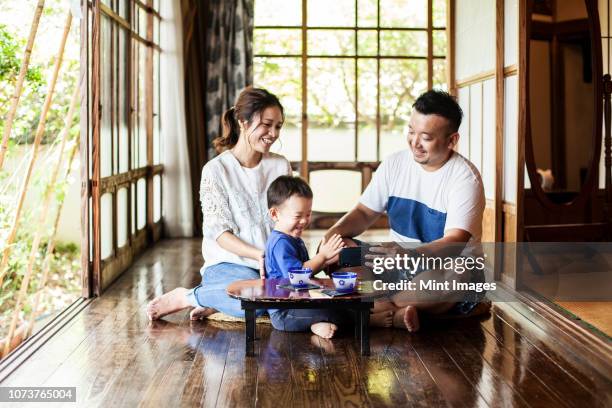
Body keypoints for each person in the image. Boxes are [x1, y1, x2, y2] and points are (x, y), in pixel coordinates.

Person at [324, 89, 486, 332]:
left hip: (440, 268)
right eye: (411, 131)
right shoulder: (395, 163)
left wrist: (409, 256)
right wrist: (332, 236)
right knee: (339, 251)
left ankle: (377, 310)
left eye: (426, 137)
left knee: (457, 277)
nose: (414, 143)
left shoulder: (464, 178)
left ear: (452, 140)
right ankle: (399, 314)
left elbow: (455, 242)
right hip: (394, 266)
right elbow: (364, 213)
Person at [146, 87, 292, 321]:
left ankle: (215, 301)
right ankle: (188, 296)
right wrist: (258, 254)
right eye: (266, 124)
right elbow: (220, 234)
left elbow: (287, 218)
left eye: (278, 126)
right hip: (229, 264)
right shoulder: (216, 170)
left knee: (283, 301)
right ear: (243, 122)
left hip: (272, 265)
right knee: (259, 305)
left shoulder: (280, 166)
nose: (273, 133)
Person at [264, 176, 393, 338]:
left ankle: (320, 322)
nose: (304, 221)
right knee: (334, 312)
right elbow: (296, 277)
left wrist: (327, 259)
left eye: (308, 214)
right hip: (286, 312)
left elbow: (307, 271)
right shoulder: (280, 243)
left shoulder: (292, 237)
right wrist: (322, 256)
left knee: (343, 298)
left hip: (301, 302)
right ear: (275, 214)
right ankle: (368, 321)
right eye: (298, 216)